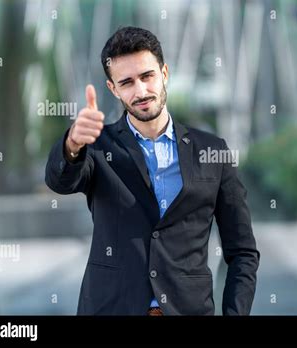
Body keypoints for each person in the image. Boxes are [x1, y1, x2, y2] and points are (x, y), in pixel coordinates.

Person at [45, 26, 260, 315]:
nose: (141, 91)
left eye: (147, 76)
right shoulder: (96, 147)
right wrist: (72, 143)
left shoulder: (213, 151)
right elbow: (60, 181)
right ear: (113, 89)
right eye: (127, 82)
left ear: (164, 73)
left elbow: (243, 251)